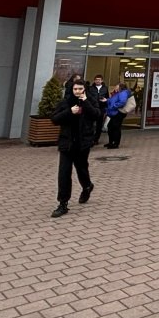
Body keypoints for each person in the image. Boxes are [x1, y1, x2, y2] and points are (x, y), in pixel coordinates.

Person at [50, 77, 101, 218]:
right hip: (67, 144)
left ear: (84, 89)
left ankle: (87, 186)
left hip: (82, 143)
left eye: (80, 89)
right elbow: (54, 119)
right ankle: (63, 203)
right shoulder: (66, 102)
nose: (77, 91)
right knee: (64, 173)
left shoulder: (89, 101)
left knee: (81, 169)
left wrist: (86, 102)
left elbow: (97, 115)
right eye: (75, 89)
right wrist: (69, 112)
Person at [104, 81, 130, 149]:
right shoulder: (118, 93)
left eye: (117, 86)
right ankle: (111, 142)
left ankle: (115, 143)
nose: (115, 87)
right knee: (110, 126)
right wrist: (107, 100)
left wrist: (113, 106)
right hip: (115, 112)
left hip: (118, 113)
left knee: (115, 128)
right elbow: (113, 100)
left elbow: (122, 102)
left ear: (120, 87)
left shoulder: (123, 93)